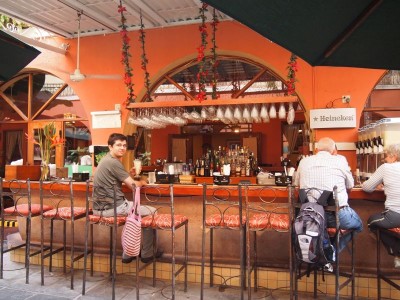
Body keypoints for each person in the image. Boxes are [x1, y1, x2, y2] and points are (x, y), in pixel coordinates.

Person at [92, 133, 162, 263]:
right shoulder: (113, 162)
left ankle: (128, 254)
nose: (122, 148)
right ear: (110, 147)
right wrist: (143, 181)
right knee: (151, 212)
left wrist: (129, 174)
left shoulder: (106, 160)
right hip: (112, 208)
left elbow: (117, 179)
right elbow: (134, 186)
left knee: (133, 213)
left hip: (99, 208)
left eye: (124, 145)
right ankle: (147, 254)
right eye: (118, 145)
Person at [294, 137, 363, 253]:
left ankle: (324, 252)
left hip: (309, 217)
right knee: (358, 225)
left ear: (316, 150)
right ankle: (332, 253)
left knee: (322, 229)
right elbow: (350, 185)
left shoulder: (304, 161)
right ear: (334, 151)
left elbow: (296, 185)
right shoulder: (340, 160)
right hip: (335, 217)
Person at [362, 143, 400, 268]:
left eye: (387, 156)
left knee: (372, 222)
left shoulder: (386, 168)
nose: (385, 159)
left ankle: (397, 253)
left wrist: (380, 185)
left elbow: (367, 187)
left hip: (395, 216)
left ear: (394, 157)